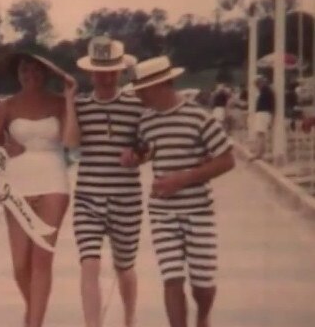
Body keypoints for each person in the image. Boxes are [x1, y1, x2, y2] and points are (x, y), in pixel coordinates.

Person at [121, 56, 235, 327]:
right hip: (163, 212)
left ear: (163, 85)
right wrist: (134, 158)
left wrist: (183, 179)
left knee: (203, 285)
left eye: (142, 89)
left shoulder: (199, 118)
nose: (138, 94)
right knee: (172, 278)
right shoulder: (146, 121)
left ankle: (203, 316)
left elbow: (227, 159)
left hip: (199, 211)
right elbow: (146, 150)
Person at [0, 51, 77, 327]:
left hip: (53, 179)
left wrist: (69, 97)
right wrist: (1, 154)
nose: (30, 75)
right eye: (24, 71)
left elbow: (70, 143)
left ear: (45, 72)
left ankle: (34, 323)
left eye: (36, 70)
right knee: (21, 265)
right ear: (17, 74)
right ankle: (34, 312)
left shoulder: (58, 104)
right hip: (16, 183)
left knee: (42, 258)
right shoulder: (6, 107)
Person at [69, 36, 143, 327]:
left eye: (112, 70)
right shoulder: (82, 105)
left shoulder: (136, 105)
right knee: (89, 264)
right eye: (101, 70)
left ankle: (129, 318)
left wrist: (137, 154)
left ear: (121, 70)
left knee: (124, 266)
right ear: (91, 72)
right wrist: (68, 101)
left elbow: (149, 145)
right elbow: (72, 144)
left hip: (126, 200)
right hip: (88, 198)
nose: (106, 76)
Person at [252, 75, 274, 160]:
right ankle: (260, 152)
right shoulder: (266, 91)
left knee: (260, 133)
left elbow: (270, 105)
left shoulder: (266, 91)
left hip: (263, 113)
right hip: (264, 113)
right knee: (261, 134)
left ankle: (259, 153)